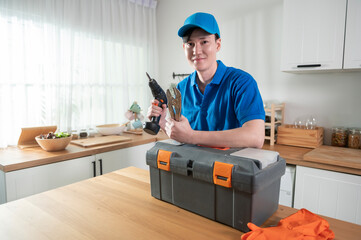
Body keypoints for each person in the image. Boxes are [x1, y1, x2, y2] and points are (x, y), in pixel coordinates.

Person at [147, 12, 265, 148]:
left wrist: (192, 136)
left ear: (218, 44)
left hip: (230, 167)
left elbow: (255, 138)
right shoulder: (181, 88)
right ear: (184, 48)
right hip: (192, 166)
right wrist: (163, 123)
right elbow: (183, 136)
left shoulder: (241, 82)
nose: (196, 51)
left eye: (204, 42)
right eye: (190, 44)